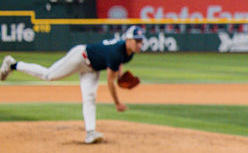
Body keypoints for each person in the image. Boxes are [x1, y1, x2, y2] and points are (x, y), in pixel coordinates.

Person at [1, 26, 145, 143]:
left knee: (90, 97)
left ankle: (90, 132)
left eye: (141, 41)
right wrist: (117, 103)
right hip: (80, 57)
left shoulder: (129, 53)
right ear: (128, 40)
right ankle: (13, 65)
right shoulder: (116, 52)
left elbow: (119, 62)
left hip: (92, 69)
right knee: (49, 75)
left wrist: (120, 75)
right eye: (137, 41)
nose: (140, 44)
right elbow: (109, 81)